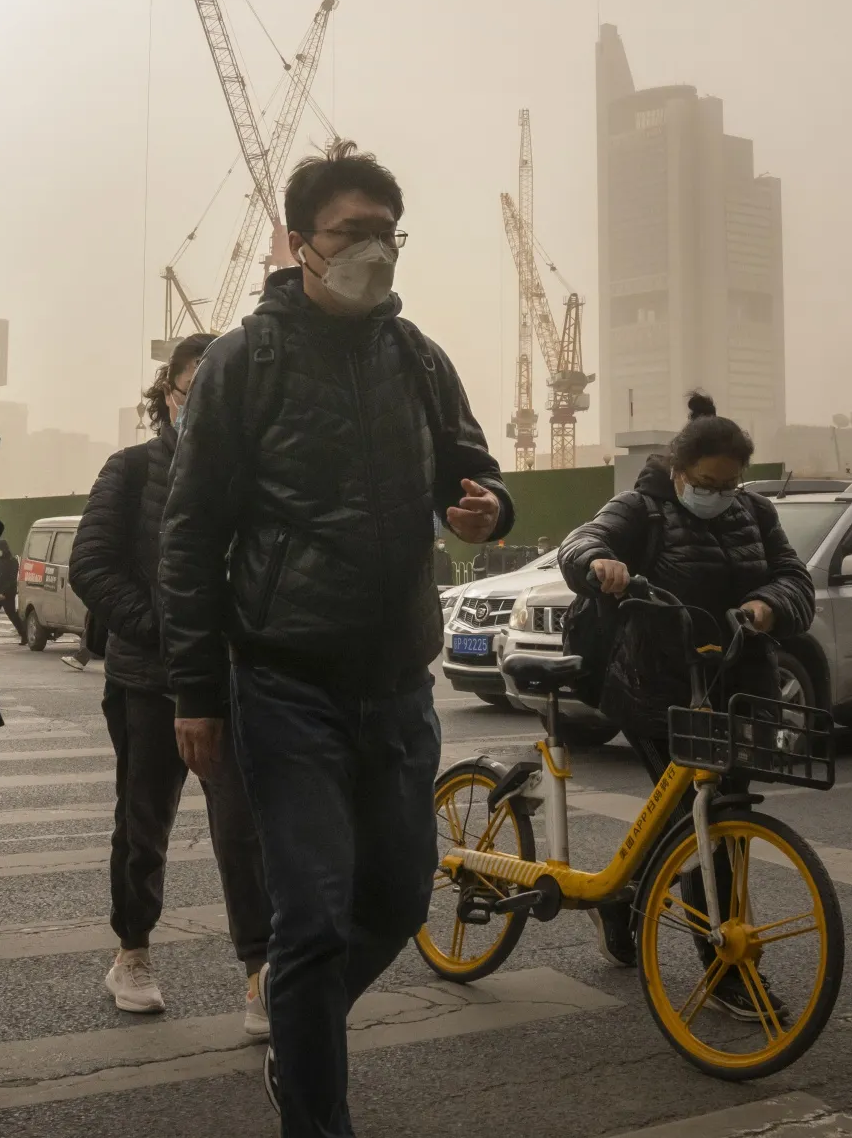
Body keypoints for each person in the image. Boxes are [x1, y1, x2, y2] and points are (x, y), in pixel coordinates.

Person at [159, 140, 513, 1136]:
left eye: (384, 234)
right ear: (298, 244)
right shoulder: (243, 362)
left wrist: (487, 505)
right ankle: (315, 1110)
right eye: (349, 232)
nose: (370, 250)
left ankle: (298, 1028)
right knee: (309, 916)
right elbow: (186, 538)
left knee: (397, 898)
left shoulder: (417, 359)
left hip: (398, 682)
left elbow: (472, 472)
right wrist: (194, 689)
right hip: (283, 684)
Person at [557, 390, 814, 1013]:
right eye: (706, 482)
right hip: (656, 690)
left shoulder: (754, 513)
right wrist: (601, 565)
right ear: (679, 472)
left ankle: (621, 902)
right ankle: (726, 969)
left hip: (740, 686)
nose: (719, 493)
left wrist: (770, 604)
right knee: (703, 826)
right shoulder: (640, 508)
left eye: (730, 483)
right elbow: (579, 543)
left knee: (719, 825)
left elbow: (796, 579)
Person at [70, 331, 273, 1033]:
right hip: (147, 682)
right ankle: (132, 951)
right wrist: (168, 626)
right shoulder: (129, 470)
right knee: (144, 824)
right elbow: (90, 566)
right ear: (168, 393)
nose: (206, 400)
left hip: (231, 683)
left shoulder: (250, 476)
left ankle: (260, 974)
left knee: (244, 831)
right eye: (194, 386)